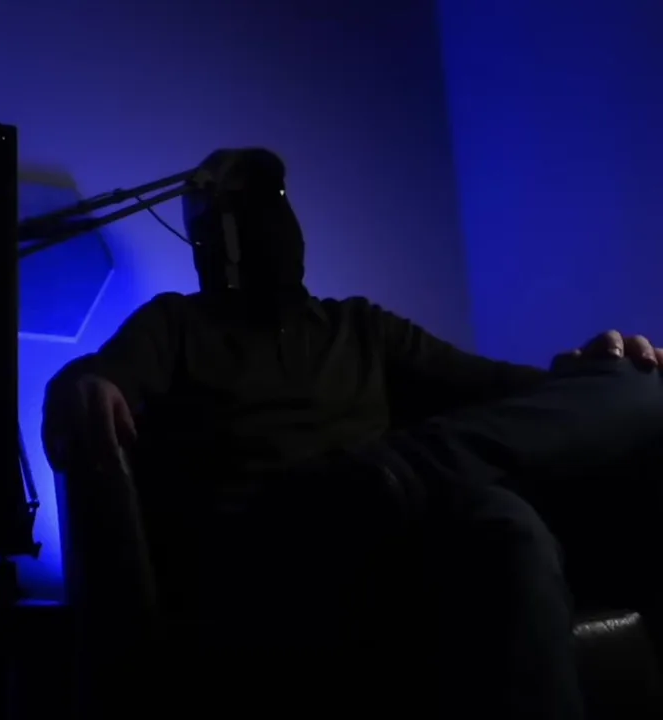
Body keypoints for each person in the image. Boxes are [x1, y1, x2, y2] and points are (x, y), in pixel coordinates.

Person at [42, 149, 663, 719]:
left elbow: (509, 392)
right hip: (274, 549)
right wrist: (82, 382)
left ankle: (392, 475)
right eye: (243, 208)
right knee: (490, 487)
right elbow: (94, 379)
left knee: (519, 509)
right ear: (209, 235)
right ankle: (390, 476)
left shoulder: (359, 326)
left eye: (273, 201)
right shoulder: (175, 323)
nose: (268, 222)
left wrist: (591, 372)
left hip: (391, 533)